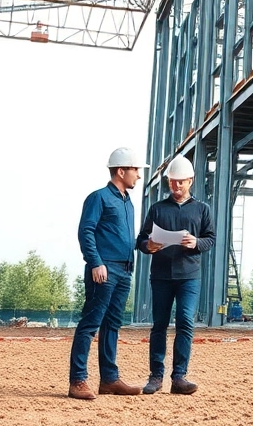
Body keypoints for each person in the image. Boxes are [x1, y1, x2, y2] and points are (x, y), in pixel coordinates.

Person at [68, 147, 146, 400]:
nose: (138, 175)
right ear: (121, 171)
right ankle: (77, 381)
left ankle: (110, 380)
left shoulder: (128, 203)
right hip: (104, 270)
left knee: (112, 325)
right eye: (135, 170)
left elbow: (124, 238)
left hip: (124, 271)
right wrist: (95, 262)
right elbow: (86, 231)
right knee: (90, 325)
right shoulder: (98, 198)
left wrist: (146, 245)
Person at [137, 155, 215, 395]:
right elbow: (141, 239)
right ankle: (156, 377)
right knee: (159, 325)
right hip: (160, 275)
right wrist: (147, 245)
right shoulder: (157, 209)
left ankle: (179, 377)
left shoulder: (202, 209)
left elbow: (210, 239)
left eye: (181, 182)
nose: (176, 186)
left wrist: (196, 242)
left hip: (189, 275)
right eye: (172, 181)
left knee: (185, 322)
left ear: (191, 181)